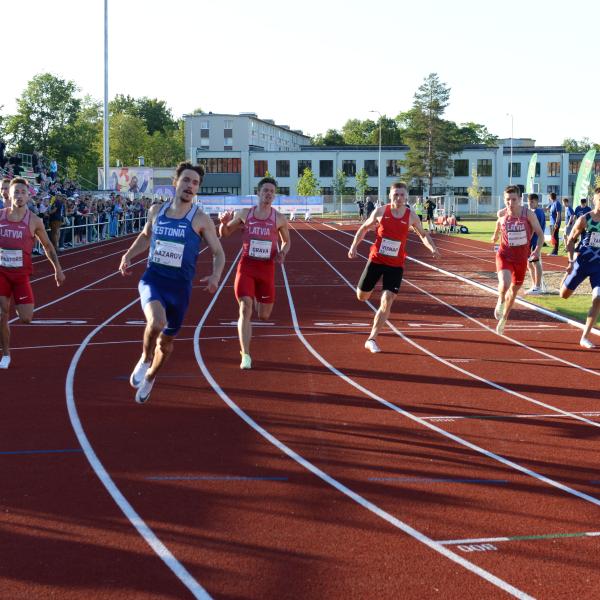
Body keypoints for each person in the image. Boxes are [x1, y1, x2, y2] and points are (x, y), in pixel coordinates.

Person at [119, 162, 225, 403]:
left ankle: (150, 377)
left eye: (195, 183)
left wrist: (216, 275)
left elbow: (219, 252)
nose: (190, 186)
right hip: (153, 278)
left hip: (180, 288)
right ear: (175, 182)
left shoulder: (200, 219)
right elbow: (146, 237)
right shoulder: (156, 210)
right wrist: (128, 255)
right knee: (156, 321)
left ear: (198, 189)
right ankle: (145, 359)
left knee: (166, 344)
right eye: (186, 180)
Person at [347, 181, 440, 353]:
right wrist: (354, 246)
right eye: (396, 194)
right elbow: (364, 228)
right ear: (390, 196)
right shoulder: (381, 212)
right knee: (362, 296)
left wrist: (432, 248)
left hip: (395, 265)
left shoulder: (412, 216)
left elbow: (423, 234)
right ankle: (369, 291)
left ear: (406, 197)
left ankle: (372, 338)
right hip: (376, 260)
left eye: (402, 195)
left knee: (388, 299)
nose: (399, 198)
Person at [218, 177, 290, 369]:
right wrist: (223, 224)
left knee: (264, 315)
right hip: (247, 267)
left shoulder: (279, 218)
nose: (268, 194)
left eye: (272, 192)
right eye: (265, 190)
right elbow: (224, 234)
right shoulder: (244, 214)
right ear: (258, 193)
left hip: (266, 269)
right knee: (245, 308)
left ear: (275, 196)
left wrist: (282, 253)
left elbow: (287, 242)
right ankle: (246, 355)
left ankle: (258, 296)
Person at [0, 178, 65, 368]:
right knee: (2, 314)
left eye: (22, 192)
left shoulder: (34, 220)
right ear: (8, 194)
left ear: (28, 196)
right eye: (16, 192)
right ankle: (5, 354)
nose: (19, 196)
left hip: (21, 276)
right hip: (1, 273)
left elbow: (47, 245)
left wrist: (58, 269)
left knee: (26, 317)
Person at [491, 186, 544, 335]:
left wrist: (537, 250)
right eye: (507, 199)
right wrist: (495, 236)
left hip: (521, 259)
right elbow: (497, 223)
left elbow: (540, 234)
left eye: (514, 199)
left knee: (513, 293)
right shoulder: (502, 214)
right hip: (504, 255)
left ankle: (505, 318)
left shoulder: (529, 215)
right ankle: (500, 300)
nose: (510, 203)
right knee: (505, 284)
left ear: (520, 199)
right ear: (504, 200)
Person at [560, 187, 600, 349]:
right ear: (595, 200)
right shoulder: (585, 219)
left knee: (598, 298)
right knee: (564, 295)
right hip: (582, 263)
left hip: (599, 267)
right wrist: (570, 261)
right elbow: (570, 240)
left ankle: (585, 337)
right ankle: (565, 279)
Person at [524, 193, 546, 295]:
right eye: (529, 202)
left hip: (535, 241)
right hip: (531, 241)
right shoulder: (534, 212)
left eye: (532, 202)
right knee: (530, 263)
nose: (530, 204)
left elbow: (534, 229)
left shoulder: (537, 212)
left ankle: (537, 286)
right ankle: (534, 285)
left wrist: (529, 239)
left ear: (537, 202)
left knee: (535, 262)